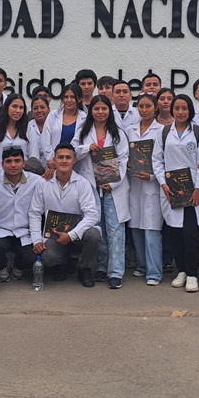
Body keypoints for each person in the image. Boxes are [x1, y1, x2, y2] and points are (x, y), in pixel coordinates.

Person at [153, 93, 199, 293]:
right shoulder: (163, 132)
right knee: (175, 232)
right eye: (177, 108)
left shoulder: (198, 132)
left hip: (192, 189)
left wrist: (198, 189)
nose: (180, 112)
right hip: (171, 189)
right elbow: (157, 160)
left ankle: (193, 273)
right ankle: (182, 270)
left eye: (184, 108)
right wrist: (163, 184)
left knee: (190, 234)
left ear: (190, 110)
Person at [75, 95, 130, 288]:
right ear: (91, 111)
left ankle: (115, 272)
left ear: (110, 111)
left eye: (104, 109)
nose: (100, 112)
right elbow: (73, 152)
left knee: (115, 230)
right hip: (90, 187)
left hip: (112, 188)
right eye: (96, 109)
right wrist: (85, 148)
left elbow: (124, 160)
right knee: (98, 230)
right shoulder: (83, 131)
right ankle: (100, 266)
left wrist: (113, 183)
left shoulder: (118, 133)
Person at [29, 143, 102, 287]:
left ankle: (84, 268)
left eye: (68, 158)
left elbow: (92, 215)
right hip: (54, 235)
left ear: (74, 160)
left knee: (93, 234)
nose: (64, 161)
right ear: (54, 160)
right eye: (60, 157)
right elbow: (35, 213)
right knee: (48, 257)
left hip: (78, 234)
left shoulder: (83, 183)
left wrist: (71, 235)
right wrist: (37, 240)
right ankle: (62, 263)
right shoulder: (43, 183)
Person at [125, 94, 164, 284]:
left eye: (148, 106)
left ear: (156, 108)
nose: (144, 109)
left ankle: (154, 272)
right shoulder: (130, 130)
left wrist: (152, 176)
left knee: (151, 230)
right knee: (136, 229)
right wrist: (126, 166)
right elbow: (124, 154)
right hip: (134, 185)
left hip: (153, 185)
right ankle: (142, 265)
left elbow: (165, 161)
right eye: (141, 106)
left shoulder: (163, 130)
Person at [0, 147, 40, 281]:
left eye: (17, 161)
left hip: (24, 231)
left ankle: (17, 266)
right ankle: (2, 266)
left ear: (24, 163)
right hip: (0, 229)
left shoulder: (37, 181)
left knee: (33, 257)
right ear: (1, 163)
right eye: (8, 161)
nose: (13, 165)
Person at [0, 93, 32, 177]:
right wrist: (1, 174)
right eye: (14, 106)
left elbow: (33, 156)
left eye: (21, 108)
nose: (18, 111)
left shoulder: (29, 129)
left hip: (23, 178)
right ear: (6, 107)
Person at [42, 83, 85, 167]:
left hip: (73, 165)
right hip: (51, 164)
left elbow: (78, 144)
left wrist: (66, 160)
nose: (69, 100)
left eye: (72, 97)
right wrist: (53, 160)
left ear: (79, 99)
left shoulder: (84, 119)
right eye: (66, 97)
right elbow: (45, 139)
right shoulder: (53, 115)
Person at [27, 95, 53, 175]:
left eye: (42, 107)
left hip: (52, 170)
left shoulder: (55, 126)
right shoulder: (27, 127)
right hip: (31, 171)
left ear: (48, 110)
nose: (39, 110)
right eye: (35, 108)